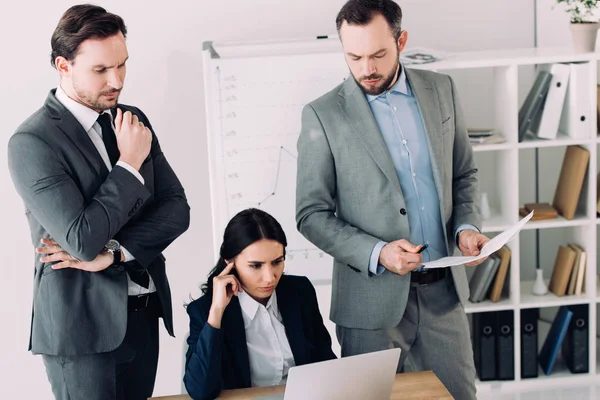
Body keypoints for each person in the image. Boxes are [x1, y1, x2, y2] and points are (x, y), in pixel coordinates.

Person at [295, 1, 489, 398]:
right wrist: (379, 252)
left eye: (379, 54)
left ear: (401, 41)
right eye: (355, 56)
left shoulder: (442, 90)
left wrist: (467, 228)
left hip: (443, 296)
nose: (366, 68)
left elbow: (463, 174)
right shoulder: (323, 115)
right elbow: (310, 214)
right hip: (370, 307)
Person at [7, 5, 190, 400]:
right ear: (63, 65)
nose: (117, 80)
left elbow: (177, 210)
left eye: (122, 65)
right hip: (81, 331)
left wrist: (117, 254)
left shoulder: (132, 119)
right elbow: (82, 239)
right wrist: (128, 165)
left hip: (142, 314)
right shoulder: (32, 142)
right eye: (101, 70)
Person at [184, 208, 335, 400]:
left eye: (277, 262)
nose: (270, 277)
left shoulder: (299, 292)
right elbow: (200, 391)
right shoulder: (205, 310)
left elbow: (325, 364)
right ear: (230, 262)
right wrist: (217, 312)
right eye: (256, 265)